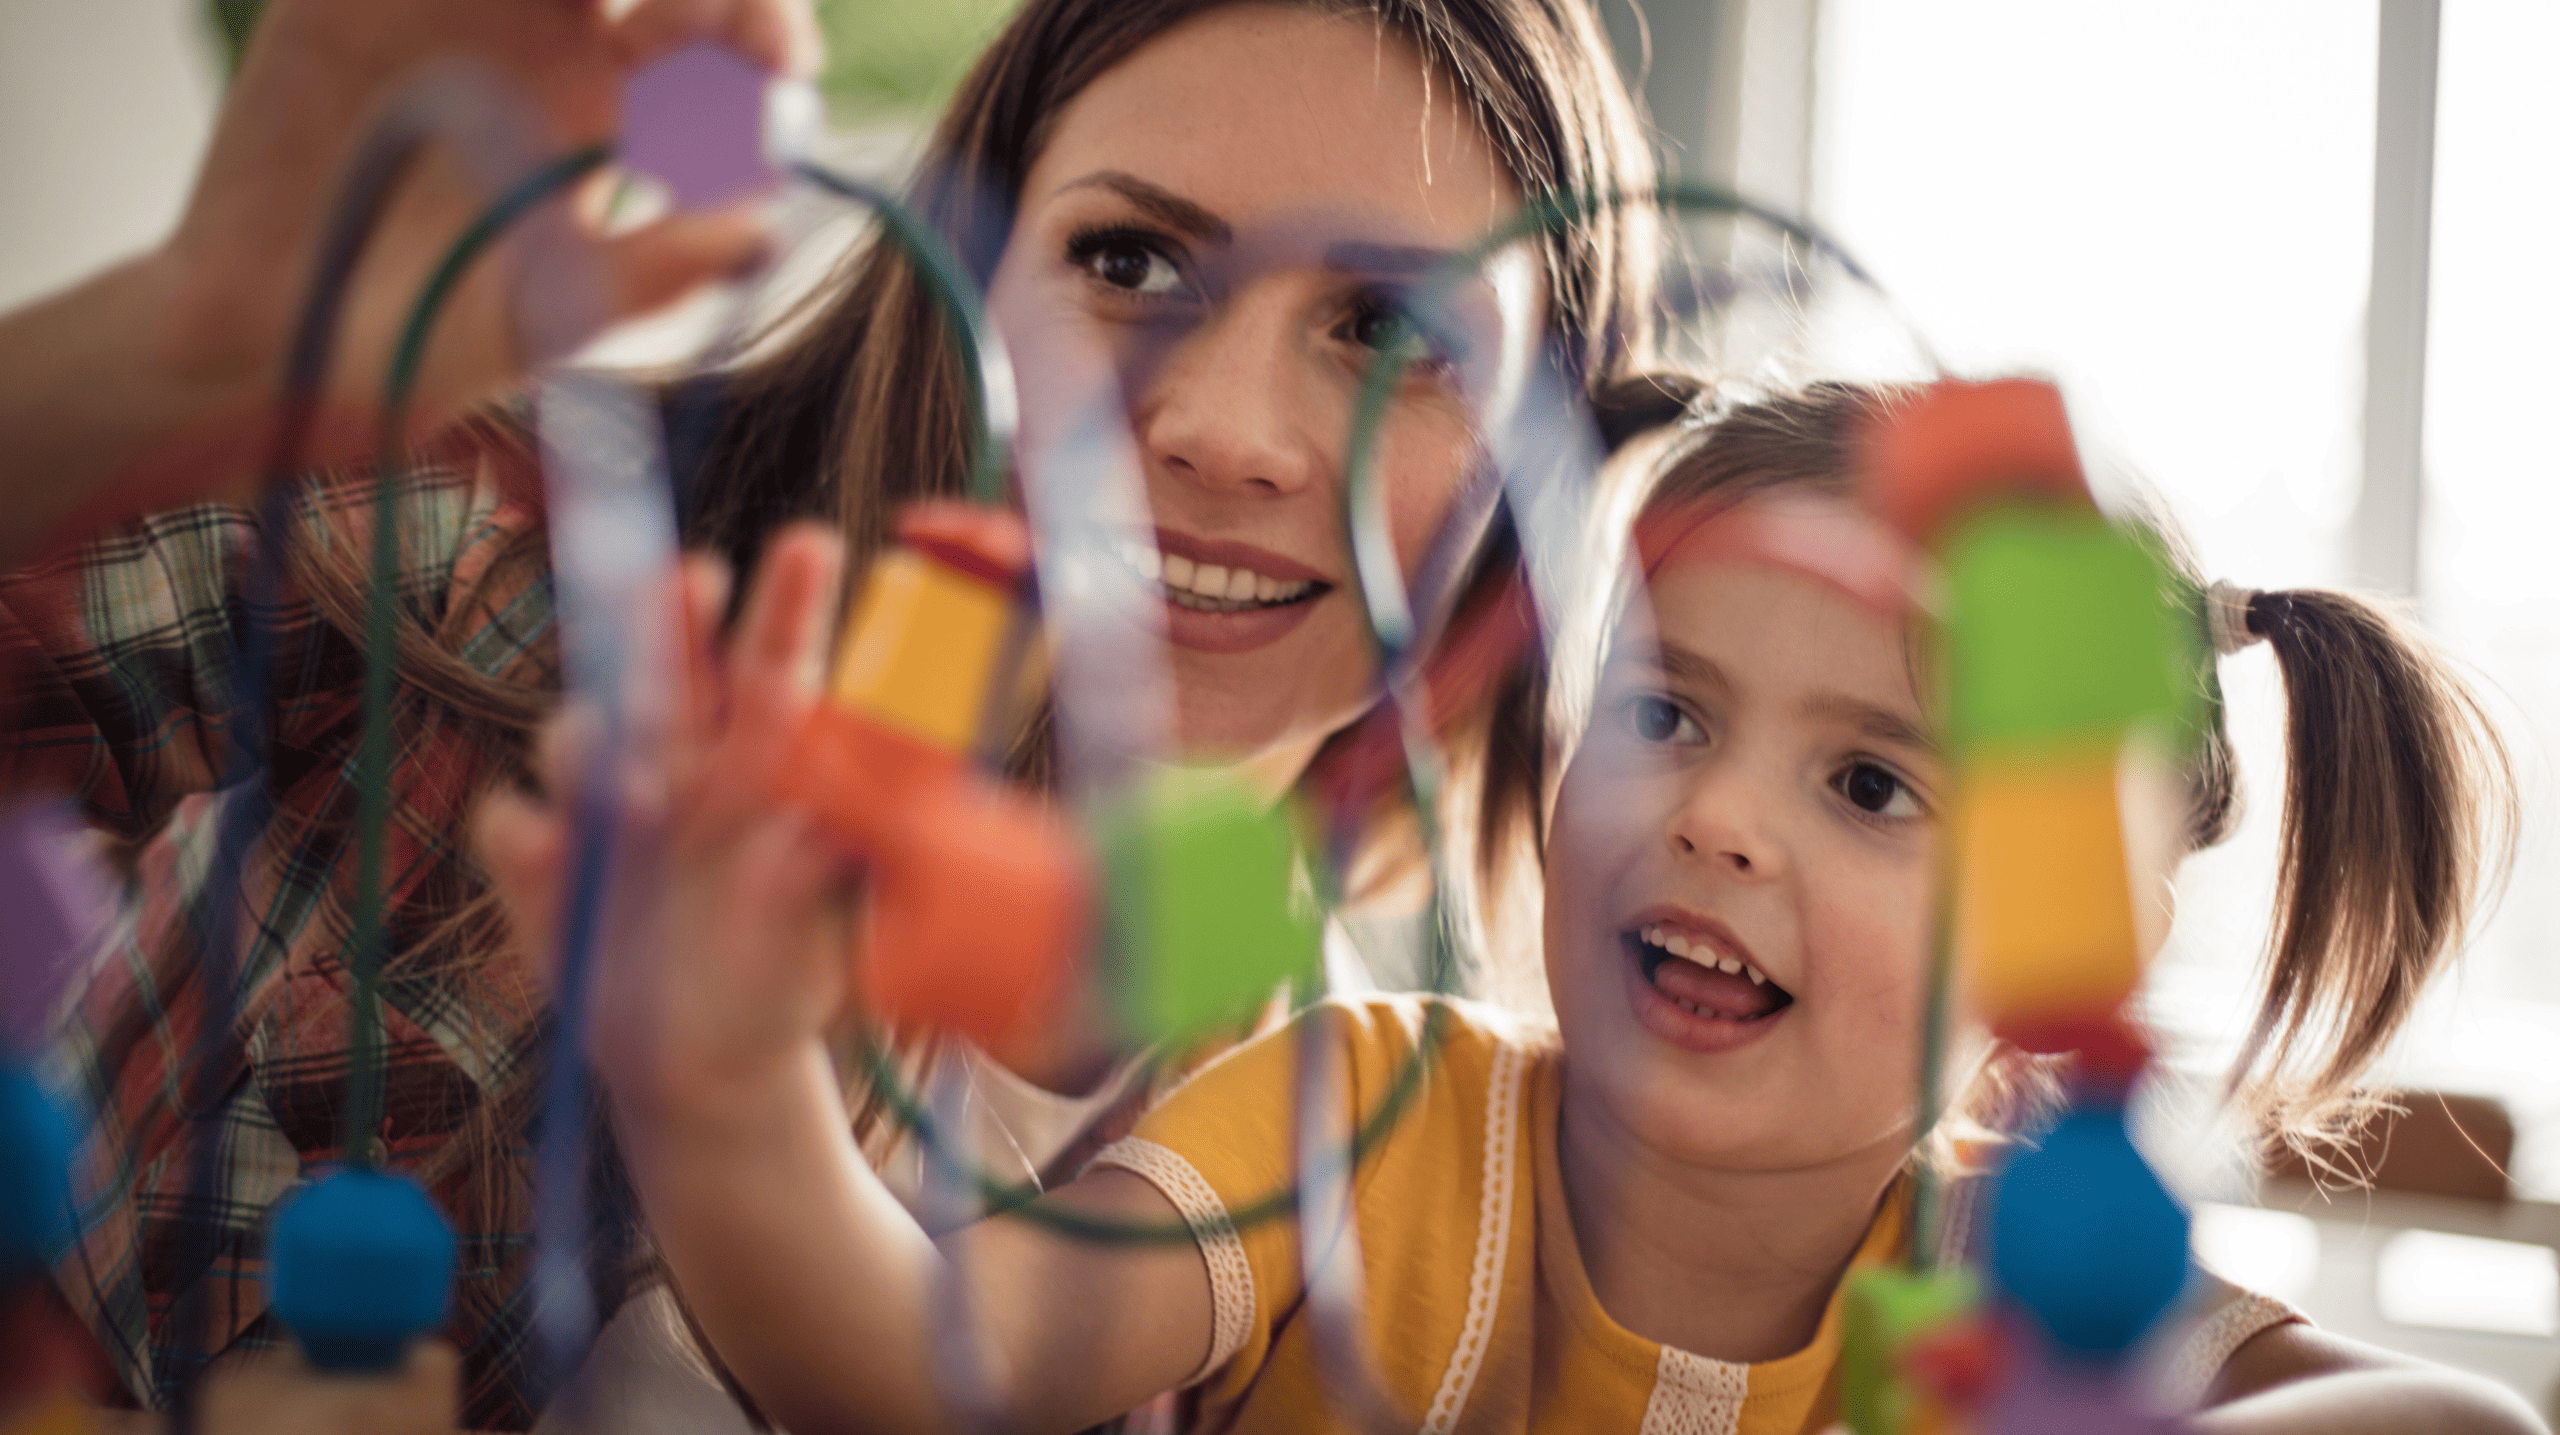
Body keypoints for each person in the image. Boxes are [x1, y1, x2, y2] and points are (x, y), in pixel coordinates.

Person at [0, 0, 1656, 1425]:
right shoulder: (509, 564)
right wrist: (191, 334)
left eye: (1389, 329)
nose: (1231, 431)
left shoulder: (1356, 1130)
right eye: (1128, 257)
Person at [484, 380, 2543, 1435]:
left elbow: (2453, 1418)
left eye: (1864, 783)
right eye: (1660, 707)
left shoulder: (2029, 1284)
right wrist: (729, 1083)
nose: (1714, 819)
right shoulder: (1354, 1113)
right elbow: (929, 1364)